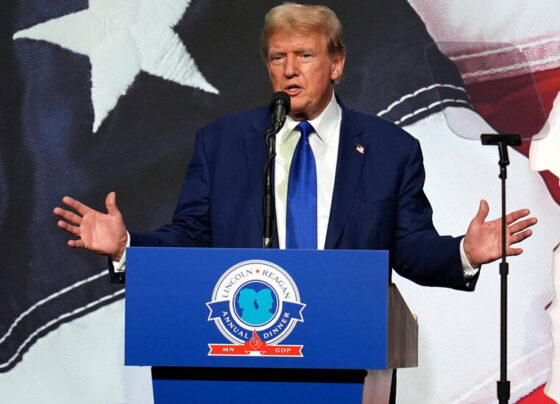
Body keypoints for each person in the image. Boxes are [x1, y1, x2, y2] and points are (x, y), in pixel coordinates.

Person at [53, 3, 537, 402]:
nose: (289, 70)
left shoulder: (390, 150)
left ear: (336, 64)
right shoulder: (223, 143)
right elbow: (191, 237)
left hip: (348, 363)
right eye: (277, 57)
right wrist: (127, 247)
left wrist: (462, 252)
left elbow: (410, 247)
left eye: (304, 55)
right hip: (235, 366)